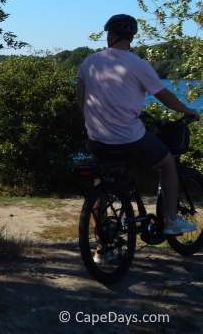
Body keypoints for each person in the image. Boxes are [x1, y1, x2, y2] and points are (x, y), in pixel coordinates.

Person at [77, 14, 200, 247]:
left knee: (101, 182)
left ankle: (102, 241)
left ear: (110, 36)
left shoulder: (89, 62)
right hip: (129, 138)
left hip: (96, 138)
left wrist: (91, 122)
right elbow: (165, 97)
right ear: (131, 38)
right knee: (167, 163)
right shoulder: (138, 64)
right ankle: (171, 220)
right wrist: (188, 110)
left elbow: (81, 99)